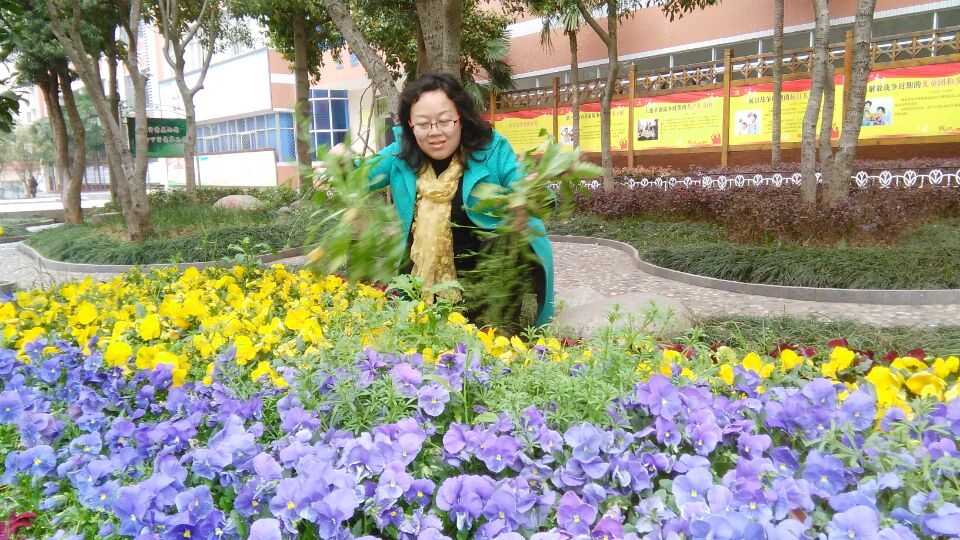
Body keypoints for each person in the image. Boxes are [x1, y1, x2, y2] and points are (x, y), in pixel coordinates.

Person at [367, 71, 554, 327]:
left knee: (489, 347)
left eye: (445, 121)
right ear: (410, 124)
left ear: (461, 118)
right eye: (423, 124)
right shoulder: (401, 154)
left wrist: (531, 192)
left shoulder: (491, 149)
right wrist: (339, 163)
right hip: (419, 288)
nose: (434, 132)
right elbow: (360, 175)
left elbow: (526, 187)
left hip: (489, 286)